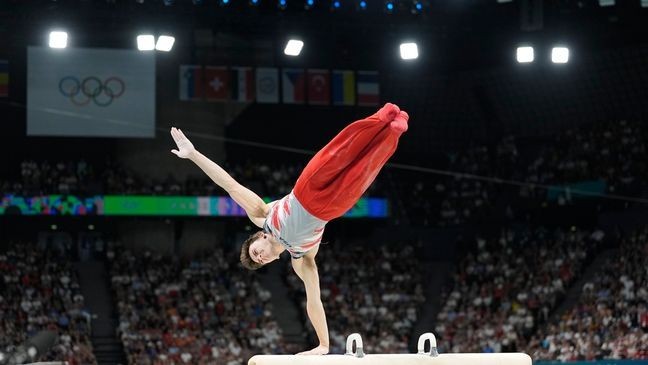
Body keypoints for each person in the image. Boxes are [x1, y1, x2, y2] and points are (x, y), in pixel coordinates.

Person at [169, 102, 409, 355]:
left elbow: (229, 184)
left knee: (341, 151)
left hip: (307, 189)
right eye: (260, 261)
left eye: (254, 252)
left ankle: (382, 117)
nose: (259, 257)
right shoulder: (301, 257)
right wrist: (324, 345)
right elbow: (314, 301)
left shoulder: (263, 216)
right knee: (365, 168)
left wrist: (193, 154)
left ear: (258, 237)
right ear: (271, 262)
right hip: (332, 208)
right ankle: (394, 131)